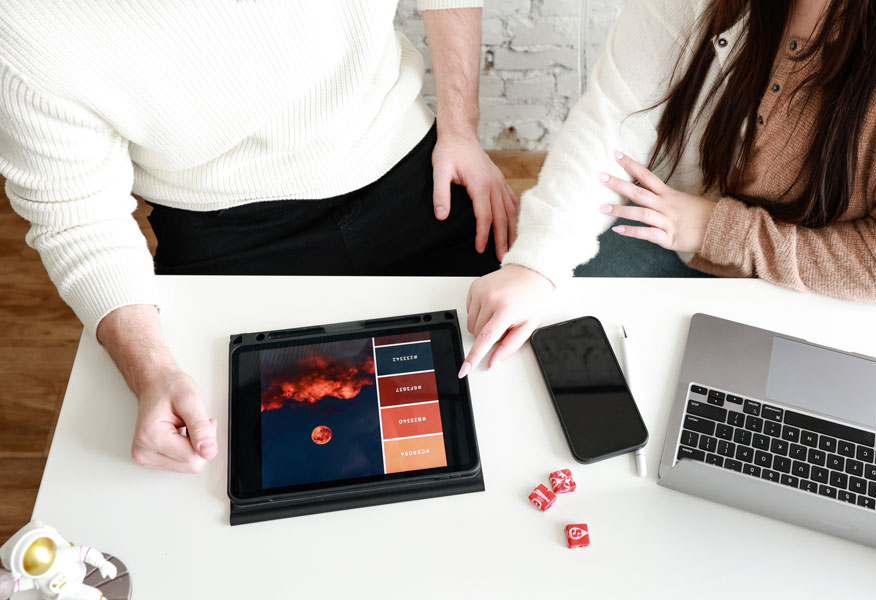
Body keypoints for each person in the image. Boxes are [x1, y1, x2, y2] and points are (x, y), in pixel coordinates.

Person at [0, 1, 517, 474]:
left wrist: (461, 130)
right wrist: (151, 370)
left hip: (408, 166)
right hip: (222, 230)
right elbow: (77, 214)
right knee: (254, 462)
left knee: (501, 418)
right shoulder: (19, 27)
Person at [459, 0, 876, 378]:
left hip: (823, 283)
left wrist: (719, 229)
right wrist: (536, 263)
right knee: (548, 343)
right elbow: (612, 120)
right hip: (671, 234)